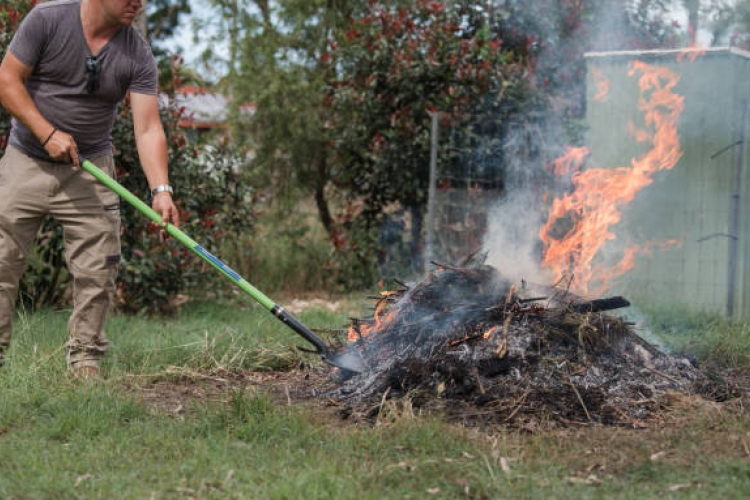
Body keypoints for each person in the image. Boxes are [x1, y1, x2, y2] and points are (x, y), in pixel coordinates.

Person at [0, 0, 180, 378]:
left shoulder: (137, 52)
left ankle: (85, 361)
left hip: (91, 168)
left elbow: (147, 128)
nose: (138, 3)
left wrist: (161, 189)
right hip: (26, 158)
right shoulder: (48, 20)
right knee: (1, 260)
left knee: (98, 268)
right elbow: (7, 80)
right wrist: (46, 132)